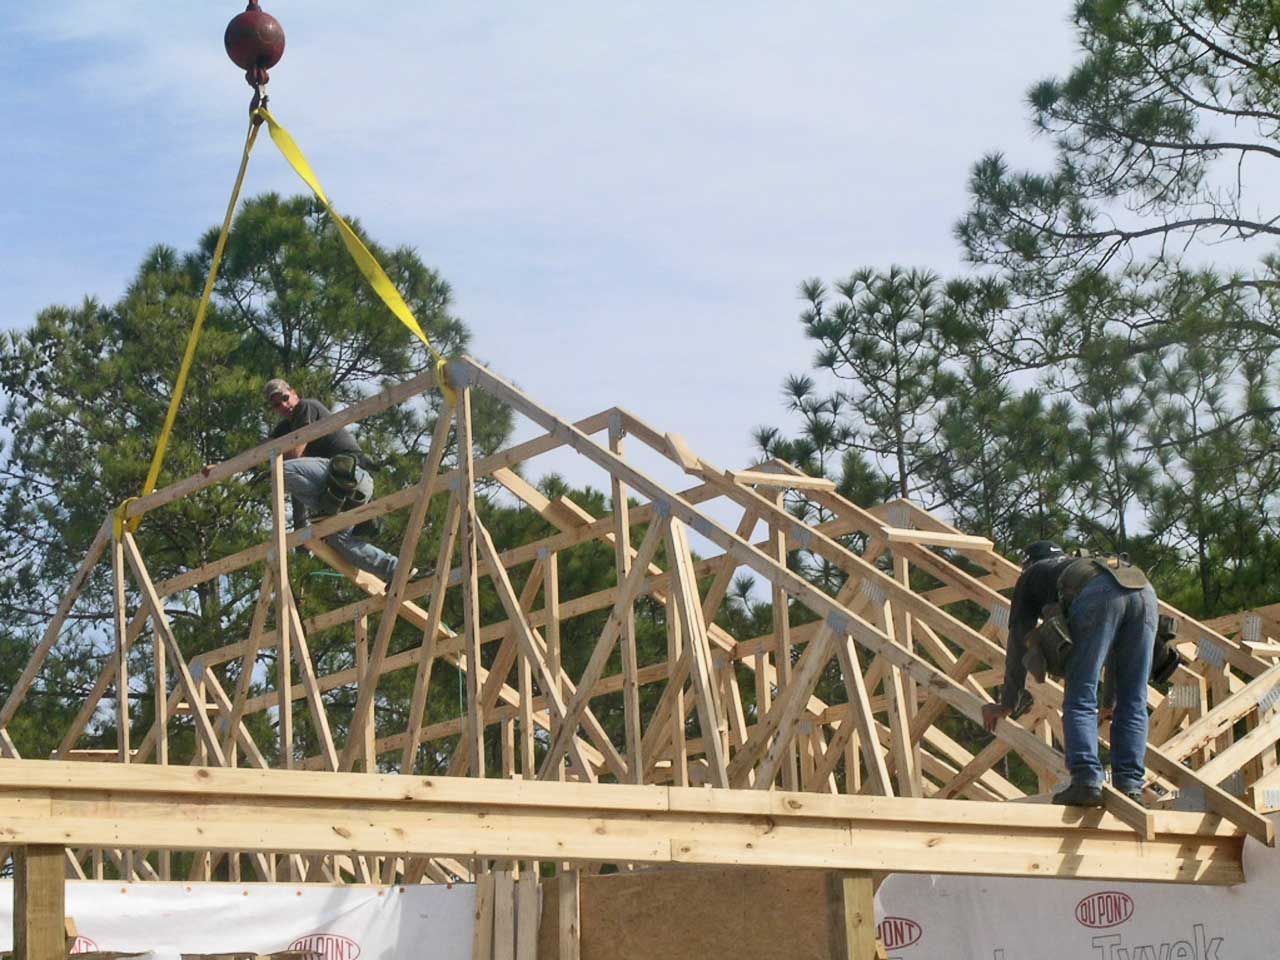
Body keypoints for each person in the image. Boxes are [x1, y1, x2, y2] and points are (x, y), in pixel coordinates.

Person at [981, 540, 1157, 807]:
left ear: (1027, 563)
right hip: (1145, 592)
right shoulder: (1084, 563)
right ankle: (1130, 786)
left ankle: (1086, 780)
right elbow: (1112, 648)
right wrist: (1109, 703)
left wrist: (1007, 703)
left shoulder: (1030, 575)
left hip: (1099, 595)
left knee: (1080, 694)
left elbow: (1018, 639)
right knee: (1133, 698)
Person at [260, 377, 402, 582]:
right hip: (339, 490)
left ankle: (323, 509)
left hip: (352, 475)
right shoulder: (284, 430)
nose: (283, 405)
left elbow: (294, 454)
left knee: (279, 470)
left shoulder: (306, 407)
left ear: (294, 394)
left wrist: (270, 459)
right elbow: (258, 453)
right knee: (338, 541)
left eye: (284, 398)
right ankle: (395, 570)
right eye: (276, 404)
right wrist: (222, 467)